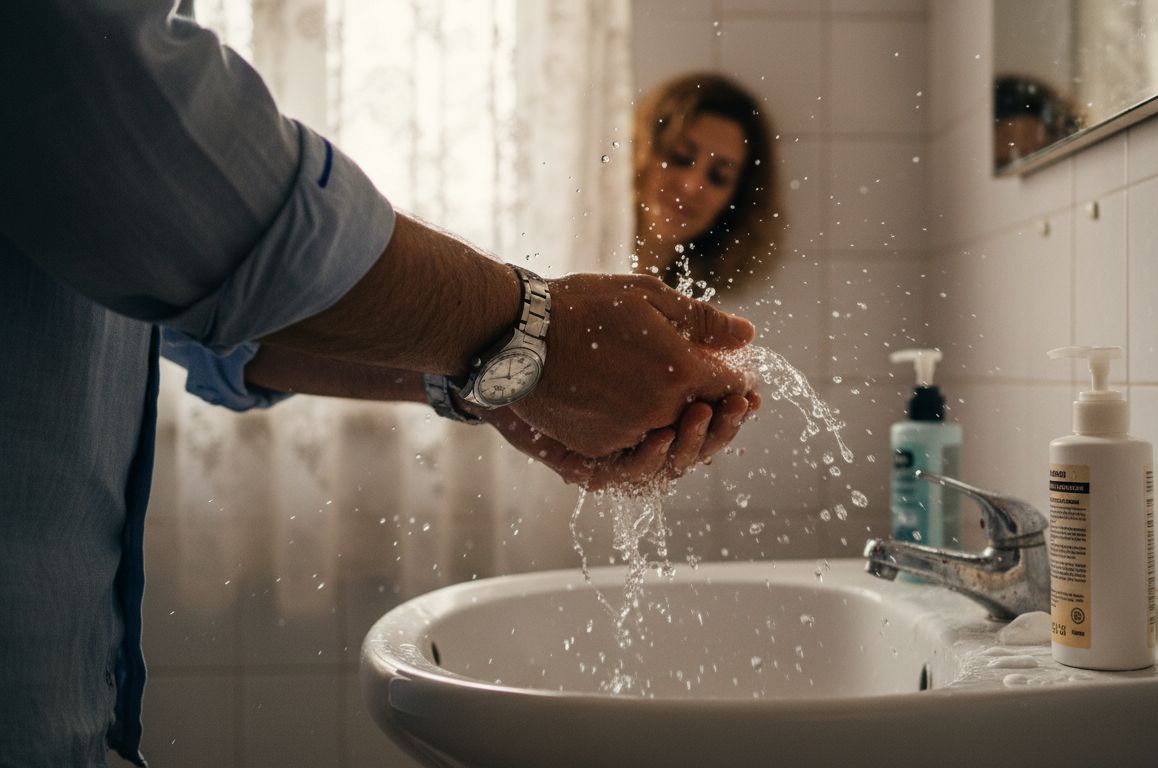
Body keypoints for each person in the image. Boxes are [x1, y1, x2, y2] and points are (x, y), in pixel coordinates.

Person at [0, 2, 759, 766]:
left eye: (719, 171)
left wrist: (491, 380)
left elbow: (206, 336)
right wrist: (534, 331)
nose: (691, 183)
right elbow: (167, 168)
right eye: (680, 153)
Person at [632, 72, 783, 298]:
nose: (692, 186)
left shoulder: (697, 310)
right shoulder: (572, 251)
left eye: (719, 177)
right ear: (640, 152)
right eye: (680, 158)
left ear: (737, 200)